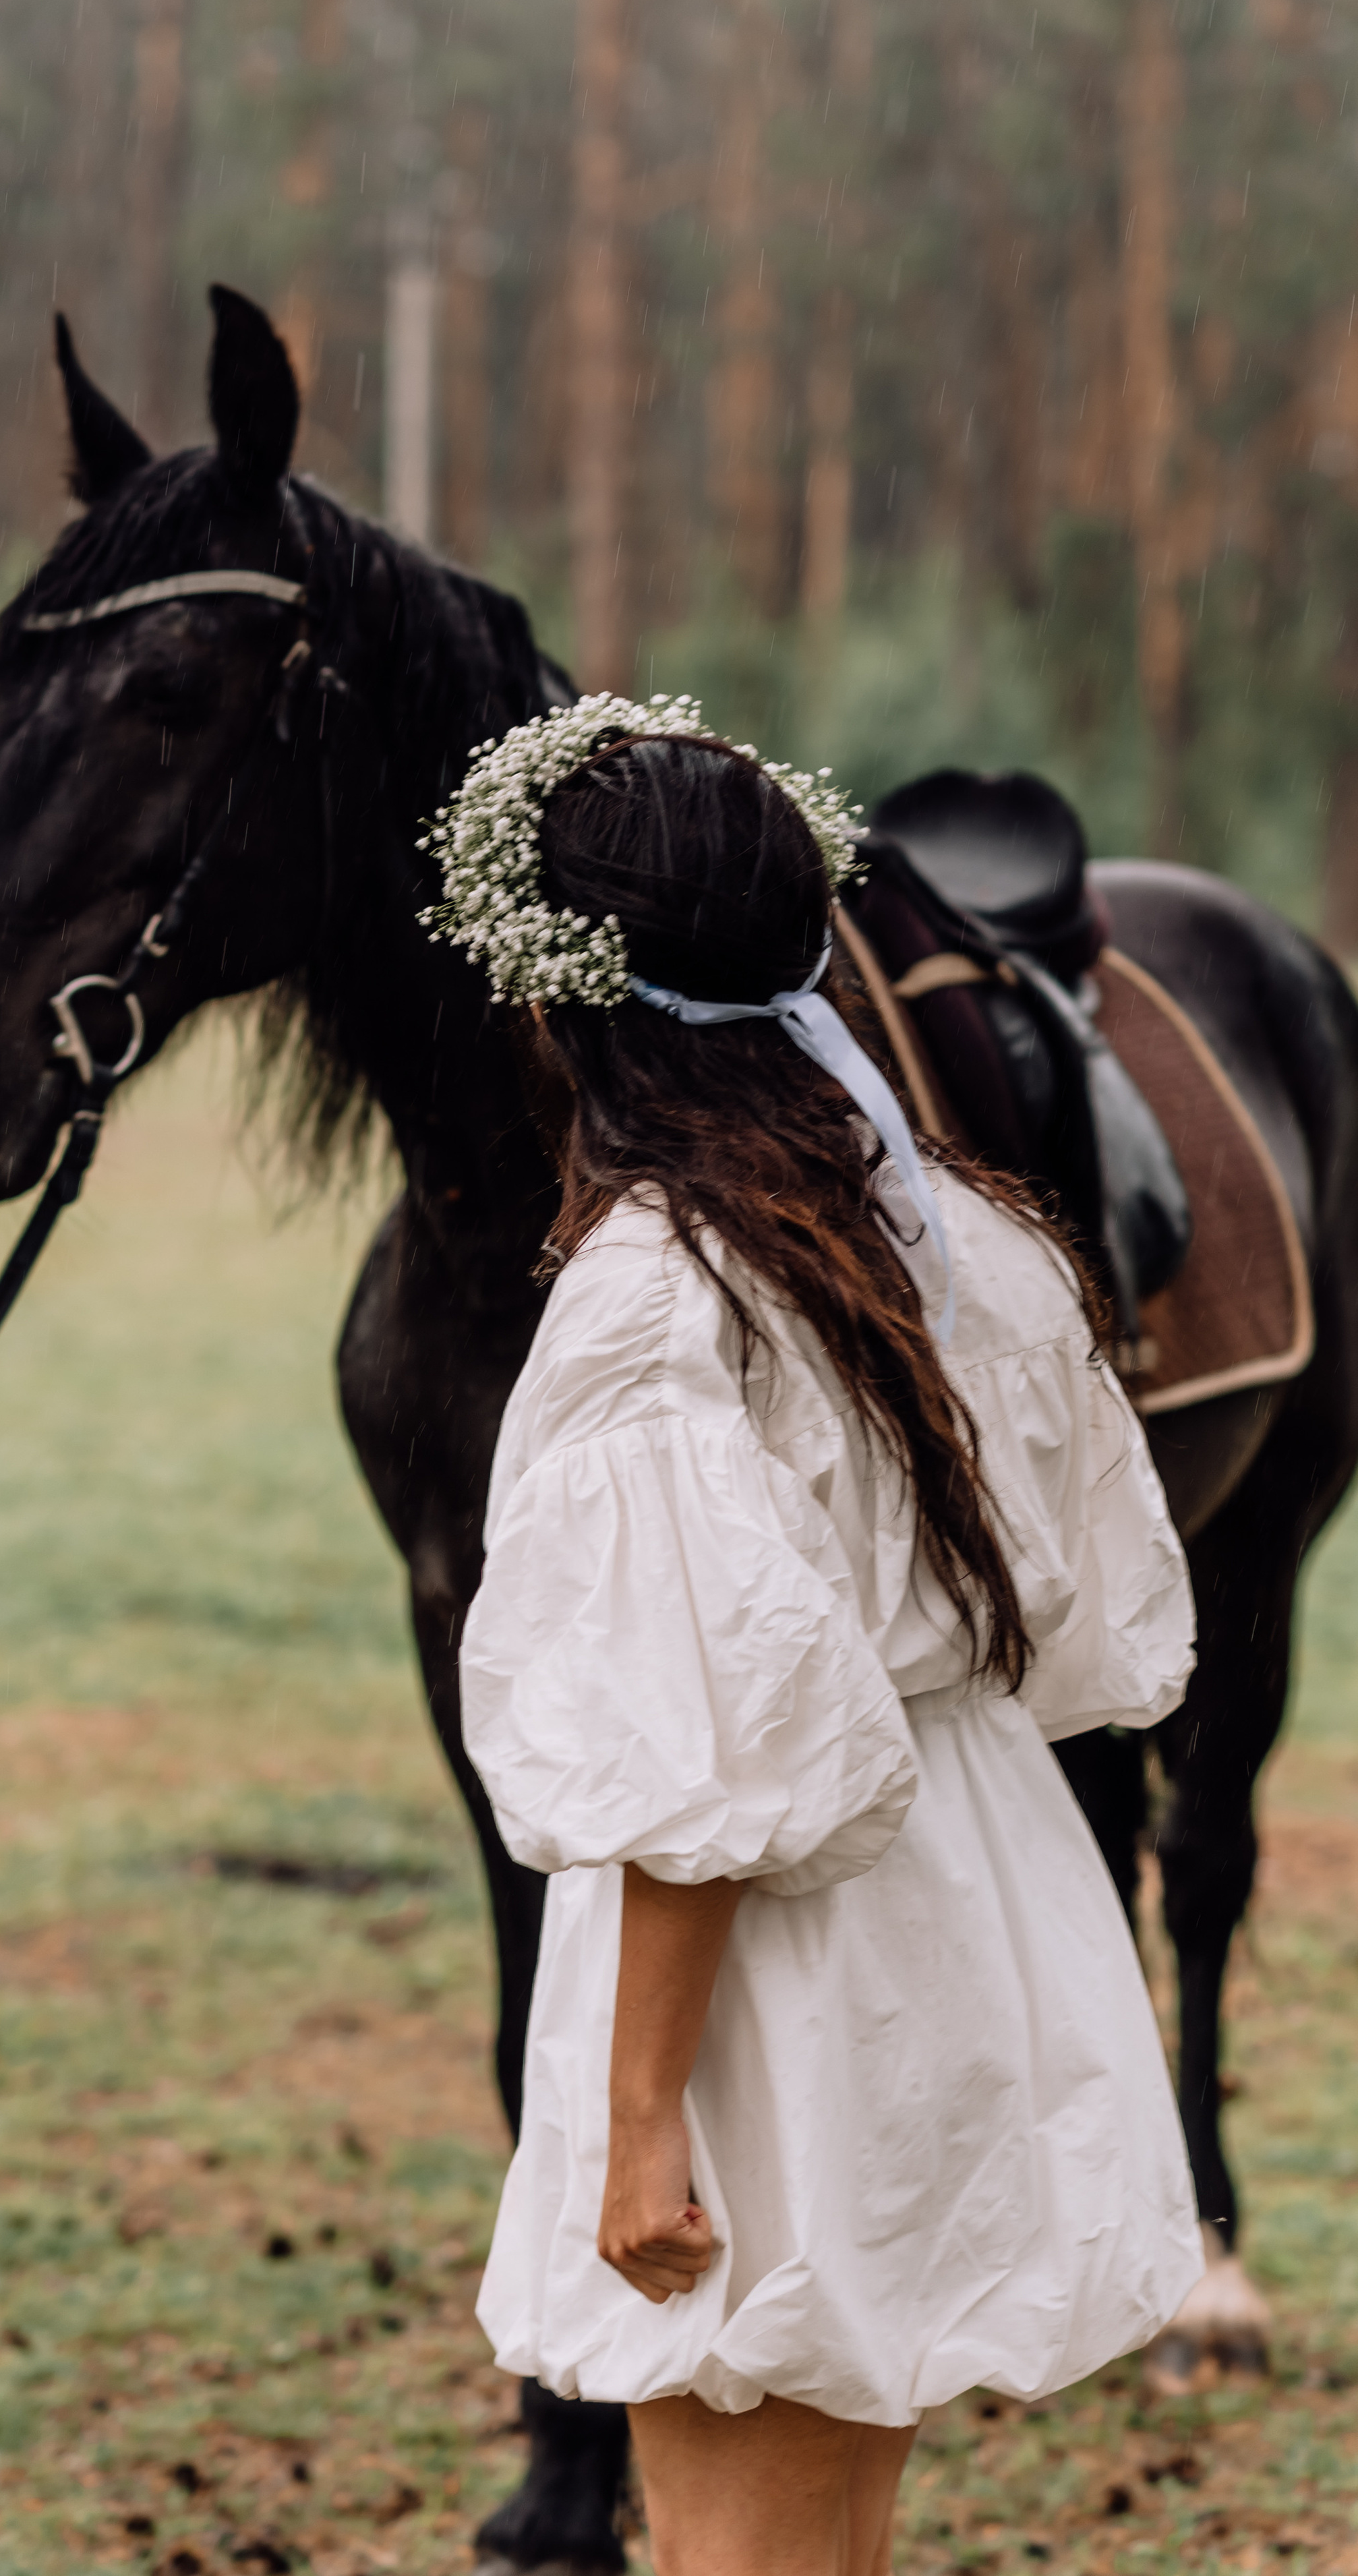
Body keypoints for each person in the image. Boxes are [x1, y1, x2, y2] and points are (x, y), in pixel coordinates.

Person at [422, 697, 1203, 2576]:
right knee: (825, 2531)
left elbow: (706, 1760)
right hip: (941, 1901)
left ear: (562, 996)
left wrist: (637, 2120)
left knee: (743, 2549)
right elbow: (1081, 1628)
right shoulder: (953, 1241)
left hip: (764, 1979)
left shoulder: (661, 1294)